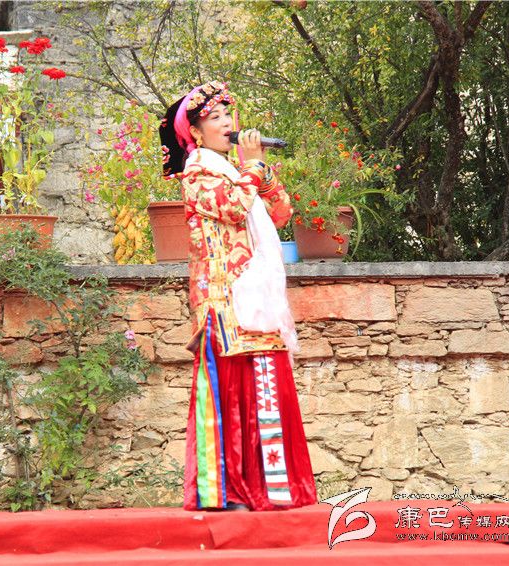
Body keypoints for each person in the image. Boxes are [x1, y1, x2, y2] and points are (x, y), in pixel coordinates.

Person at [159, 81, 318, 512]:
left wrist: (260, 171)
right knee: (228, 392)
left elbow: (281, 213)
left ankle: (275, 488)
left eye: (228, 114)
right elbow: (232, 207)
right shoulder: (196, 174)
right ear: (195, 132)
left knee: (265, 384)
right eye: (215, 118)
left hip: (258, 294)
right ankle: (226, 492)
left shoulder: (238, 171)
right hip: (223, 298)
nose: (227, 123)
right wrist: (253, 169)